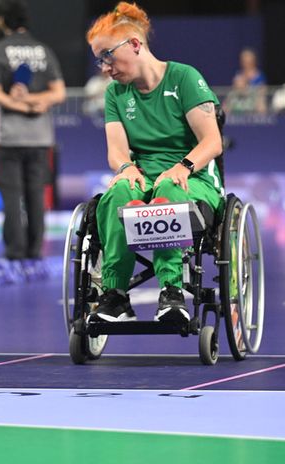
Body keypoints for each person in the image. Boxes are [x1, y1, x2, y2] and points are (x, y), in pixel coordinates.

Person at [86, 1, 223, 326]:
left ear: (134, 45)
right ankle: (115, 294)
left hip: (194, 180)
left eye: (107, 56)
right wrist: (125, 168)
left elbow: (212, 142)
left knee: (168, 189)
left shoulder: (184, 78)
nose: (105, 67)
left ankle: (172, 291)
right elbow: (116, 151)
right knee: (118, 194)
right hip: (143, 178)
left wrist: (184, 166)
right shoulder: (115, 94)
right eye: (99, 60)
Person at [0, 0, 65, 261]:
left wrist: (20, 102)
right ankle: (35, 249)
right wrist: (36, 102)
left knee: (11, 195)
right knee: (36, 195)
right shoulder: (44, 51)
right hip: (40, 137)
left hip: (8, 137)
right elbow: (59, 93)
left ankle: (15, 251)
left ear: (1, 21)